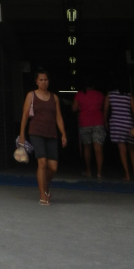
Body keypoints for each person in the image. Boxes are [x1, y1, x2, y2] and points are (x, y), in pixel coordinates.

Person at [19, 68, 67, 205]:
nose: (43, 82)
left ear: (49, 81)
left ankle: (44, 185)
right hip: (36, 132)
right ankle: (42, 195)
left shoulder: (54, 97)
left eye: (45, 80)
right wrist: (22, 134)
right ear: (36, 81)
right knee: (42, 163)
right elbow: (24, 116)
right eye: (40, 80)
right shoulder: (31, 95)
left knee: (53, 167)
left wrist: (63, 133)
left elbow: (58, 117)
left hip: (51, 134)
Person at [72, 79, 105, 178]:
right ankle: (99, 172)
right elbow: (104, 107)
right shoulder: (100, 95)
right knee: (98, 148)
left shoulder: (79, 94)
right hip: (98, 122)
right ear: (93, 85)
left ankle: (88, 170)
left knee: (87, 147)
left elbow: (74, 108)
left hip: (85, 122)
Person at [104, 77, 134, 180]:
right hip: (129, 124)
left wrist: (105, 121)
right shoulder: (129, 96)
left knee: (122, 150)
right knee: (131, 149)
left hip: (117, 124)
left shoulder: (110, 95)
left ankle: (127, 175)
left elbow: (106, 109)